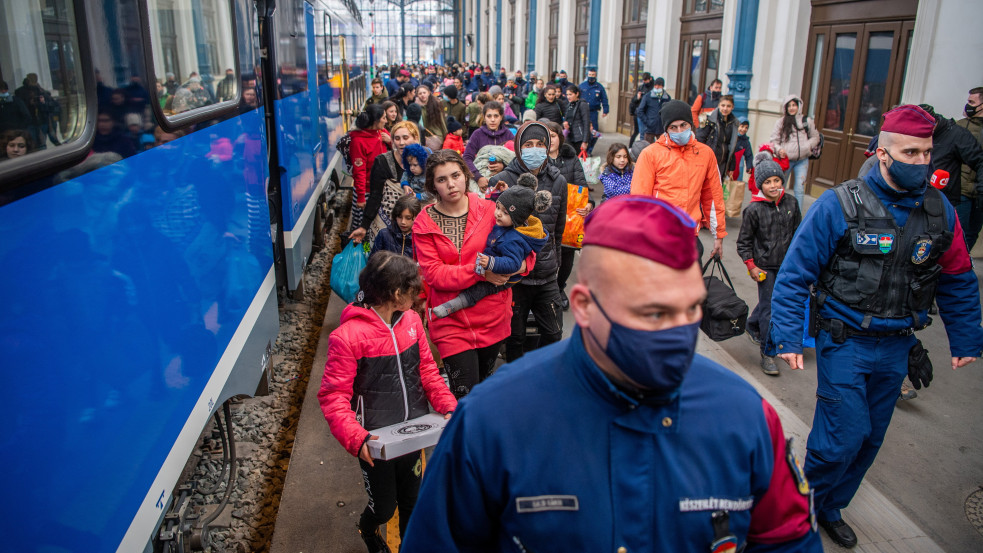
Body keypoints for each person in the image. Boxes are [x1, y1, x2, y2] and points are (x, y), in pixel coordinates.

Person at [401, 195, 824, 553]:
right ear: (583, 306)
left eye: (690, 308)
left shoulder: (744, 417)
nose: (678, 333)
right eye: (653, 313)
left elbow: (789, 539)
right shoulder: (490, 423)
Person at [768, 105, 983, 548]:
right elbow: (794, 274)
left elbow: (958, 278)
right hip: (845, 340)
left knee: (869, 440)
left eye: (927, 153)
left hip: (898, 346)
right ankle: (797, 510)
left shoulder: (940, 210)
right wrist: (788, 335)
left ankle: (828, 507)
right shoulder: (839, 203)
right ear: (883, 154)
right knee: (841, 438)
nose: (922, 162)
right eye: (911, 152)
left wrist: (966, 338)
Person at [318, 251, 457, 553]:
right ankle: (368, 529)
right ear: (396, 294)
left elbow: (428, 373)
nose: (418, 295)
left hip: (414, 435)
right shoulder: (348, 337)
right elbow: (332, 397)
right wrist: (357, 438)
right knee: (383, 509)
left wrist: (449, 407)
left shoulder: (412, 321)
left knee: (412, 503)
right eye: (412, 289)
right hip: (375, 445)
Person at [414, 150, 530, 398]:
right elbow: (435, 275)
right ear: (433, 185)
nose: (451, 184)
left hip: (492, 317)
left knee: (483, 392)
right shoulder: (424, 224)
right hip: (451, 322)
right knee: (464, 398)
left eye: (455, 175)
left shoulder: (491, 211)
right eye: (441, 179)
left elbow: (526, 250)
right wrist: (483, 271)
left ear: (466, 176)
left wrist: (521, 264)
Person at [489, 121, 568, 361]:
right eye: (529, 144)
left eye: (540, 144)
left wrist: (556, 268)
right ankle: (516, 380)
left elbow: (558, 233)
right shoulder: (502, 179)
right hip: (514, 276)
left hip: (546, 275)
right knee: (515, 337)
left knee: (554, 333)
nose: (535, 149)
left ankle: (543, 375)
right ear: (519, 148)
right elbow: (492, 227)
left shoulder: (559, 181)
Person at [431, 174, 550, 318]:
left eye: (505, 212)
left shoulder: (514, 240)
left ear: (517, 218)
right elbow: (490, 205)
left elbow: (513, 263)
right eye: (498, 207)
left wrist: (492, 263)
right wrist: (494, 194)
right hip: (490, 259)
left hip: (501, 276)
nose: (498, 214)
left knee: (479, 290)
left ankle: (454, 305)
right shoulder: (506, 223)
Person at [631, 99, 727, 262]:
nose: (680, 130)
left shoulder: (705, 154)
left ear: (691, 124)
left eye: (684, 125)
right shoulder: (650, 154)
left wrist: (718, 234)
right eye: (673, 127)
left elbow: (712, 196)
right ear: (666, 129)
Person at [737, 157, 801, 375]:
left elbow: (798, 234)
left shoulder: (791, 203)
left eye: (777, 180)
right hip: (764, 267)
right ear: (760, 185)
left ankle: (752, 325)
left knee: (771, 302)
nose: (773, 186)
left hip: (788, 266)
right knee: (770, 309)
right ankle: (768, 353)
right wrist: (751, 266)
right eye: (768, 182)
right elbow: (743, 242)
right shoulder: (753, 210)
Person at [350, 121, 419, 245]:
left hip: (417, 225)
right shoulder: (382, 162)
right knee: (379, 256)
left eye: (406, 138)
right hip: (385, 222)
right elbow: (375, 196)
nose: (401, 143)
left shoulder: (425, 160)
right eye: (397, 138)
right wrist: (364, 226)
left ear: (416, 138)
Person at [348, 104, 392, 233]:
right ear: (375, 121)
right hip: (366, 191)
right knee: (363, 226)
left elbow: (395, 148)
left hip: (382, 188)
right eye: (384, 118)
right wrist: (361, 196)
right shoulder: (358, 141)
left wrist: (389, 141)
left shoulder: (382, 133)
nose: (386, 120)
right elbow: (359, 171)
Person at [769, 95, 820, 206]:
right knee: (780, 187)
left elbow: (816, 137)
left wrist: (807, 146)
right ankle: (778, 212)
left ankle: (798, 218)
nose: (792, 108)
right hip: (785, 160)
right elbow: (773, 141)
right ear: (785, 108)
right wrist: (779, 149)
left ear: (799, 106)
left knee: (799, 189)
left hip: (802, 160)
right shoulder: (780, 122)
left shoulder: (806, 121)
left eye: (794, 105)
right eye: (789, 106)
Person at [462, 101, 513, 191]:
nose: (492, 120)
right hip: (482, 181)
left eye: (496, 116)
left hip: (504, 181)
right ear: (484, 117)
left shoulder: (508, 135)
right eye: (489, 116)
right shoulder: (477, 134)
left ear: (501, 117)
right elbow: (467, 158)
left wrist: (503, 166)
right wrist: (478, 177)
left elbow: (515, 159)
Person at [956, 86, 983, 249]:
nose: (968, 106)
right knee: (960, 231)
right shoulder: (960, 126)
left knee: (973, 231)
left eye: (972, 102)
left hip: (980, 191)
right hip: (962, 189)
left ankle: (963, 262)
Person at [370, 194, 420, 259]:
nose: (403, 222)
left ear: (417, 217)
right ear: (395, 216)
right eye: (399, 217)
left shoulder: (420, 239)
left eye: (408, 218)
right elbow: (373, 263)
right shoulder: (384, 235)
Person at [638, 77, 671, 142]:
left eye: (659, 85)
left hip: (661, 128)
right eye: (655, 85)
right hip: (650, 128)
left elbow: (669, 111)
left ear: (662, 86)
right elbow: (640, 110)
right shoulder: (648, 96)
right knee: (648, 147)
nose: (657, 87)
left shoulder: (667, 98)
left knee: (662, 148)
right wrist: (647, 122)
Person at [627, 72, 654, 147]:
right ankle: (631, 147)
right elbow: (634, 100)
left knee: (647, 134)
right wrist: (638, 98)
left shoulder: (653, 89)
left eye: (646, 80)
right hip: (639, 113)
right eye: (644, 81)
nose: (645, 82)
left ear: (650, 79)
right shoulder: (641, 87)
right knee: (639, 132)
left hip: (648, 113)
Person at [563, 85, 591, 152]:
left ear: (577, 94)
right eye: (567, 95)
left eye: (570, 94)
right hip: (570, 136)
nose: (568, 97)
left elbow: (586, 122)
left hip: (579, 137)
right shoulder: (569, 105)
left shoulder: (582, 104)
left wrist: (585, 141)